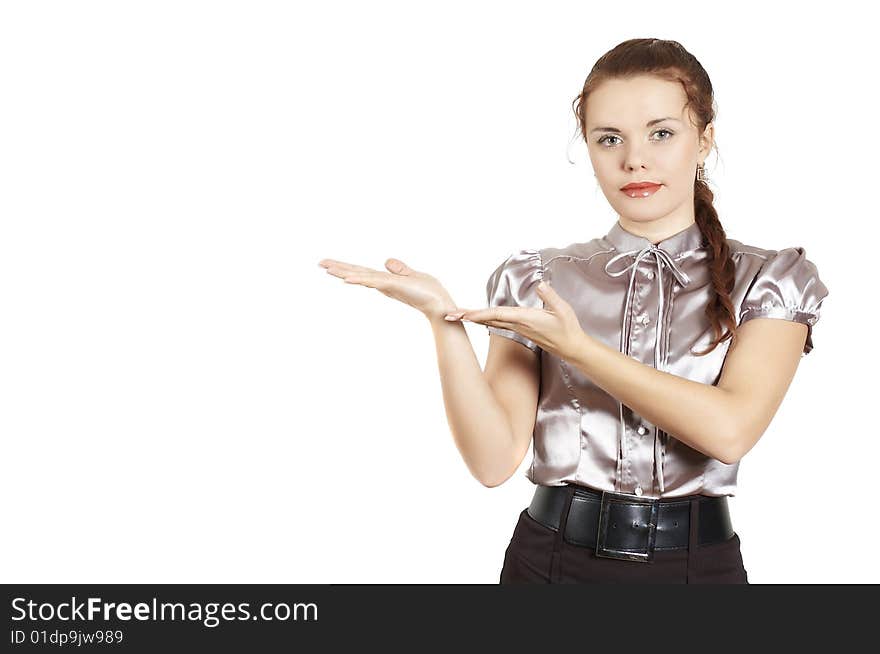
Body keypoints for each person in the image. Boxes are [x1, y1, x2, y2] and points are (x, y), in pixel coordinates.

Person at [318, 38, 829, 584]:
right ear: (587, 147)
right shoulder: (538, 277)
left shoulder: (771, 278)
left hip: (695, 569)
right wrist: (444, 324)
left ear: (703, 140)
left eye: (662, 133)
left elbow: (730, 430)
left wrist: (578, 348)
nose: (634, 159)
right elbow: (493, 463)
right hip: (549, 562)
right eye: (609, 138)